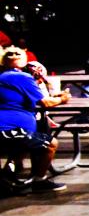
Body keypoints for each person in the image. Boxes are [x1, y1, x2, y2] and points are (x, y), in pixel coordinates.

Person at [0, 47, 69, 193]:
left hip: (12, 129)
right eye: (10, 54)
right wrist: (63, 99)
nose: (13, 55)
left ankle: (8, 174)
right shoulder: (21, 77)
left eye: (17, 53)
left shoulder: (5, 77)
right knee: (51, 144)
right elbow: (46, 103)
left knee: (23, 144)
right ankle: (40, 181)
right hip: (10, 129)